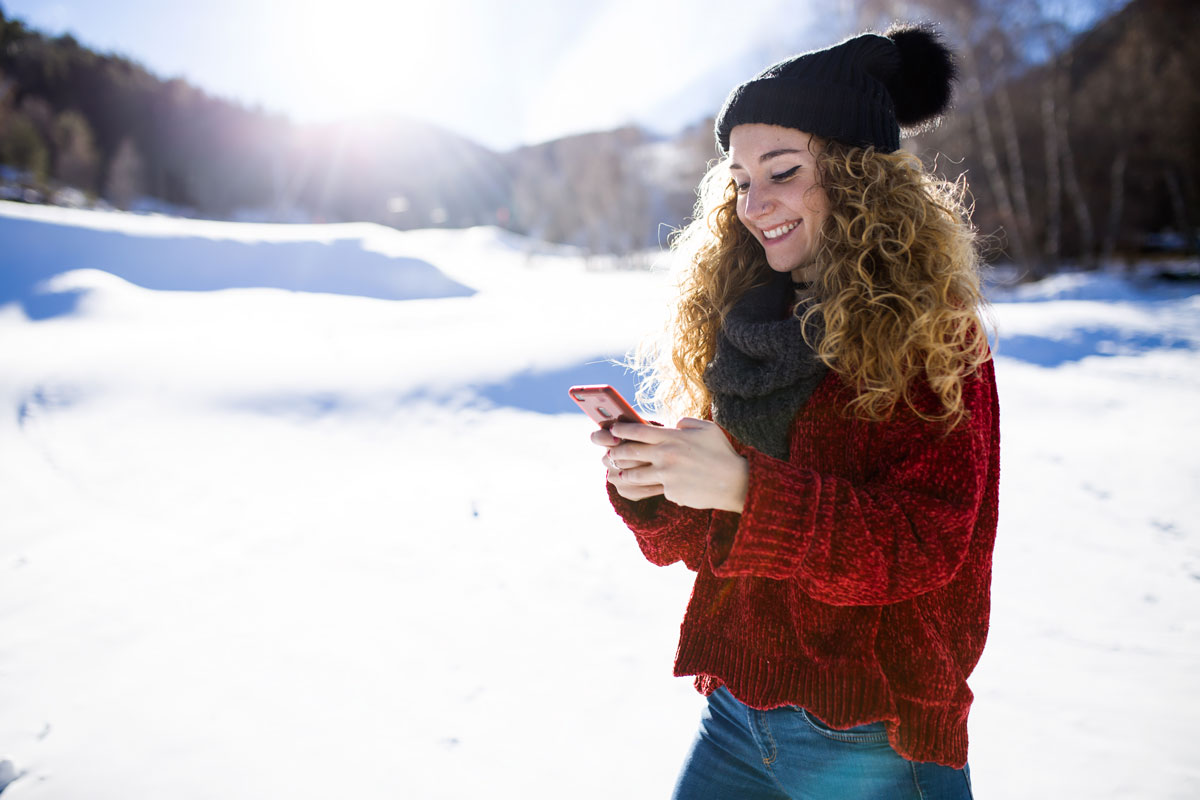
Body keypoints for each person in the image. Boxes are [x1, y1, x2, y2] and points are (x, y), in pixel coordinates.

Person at [589, 24, 999, 800]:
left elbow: (925, 542)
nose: (754, 203)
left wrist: (747, 489)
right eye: (740, 180)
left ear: (855, 176)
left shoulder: (930, 328)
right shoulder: (750, 327)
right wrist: (652, 482)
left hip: (875, 735)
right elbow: (712, 543)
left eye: (781, 171)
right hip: (738, 716)